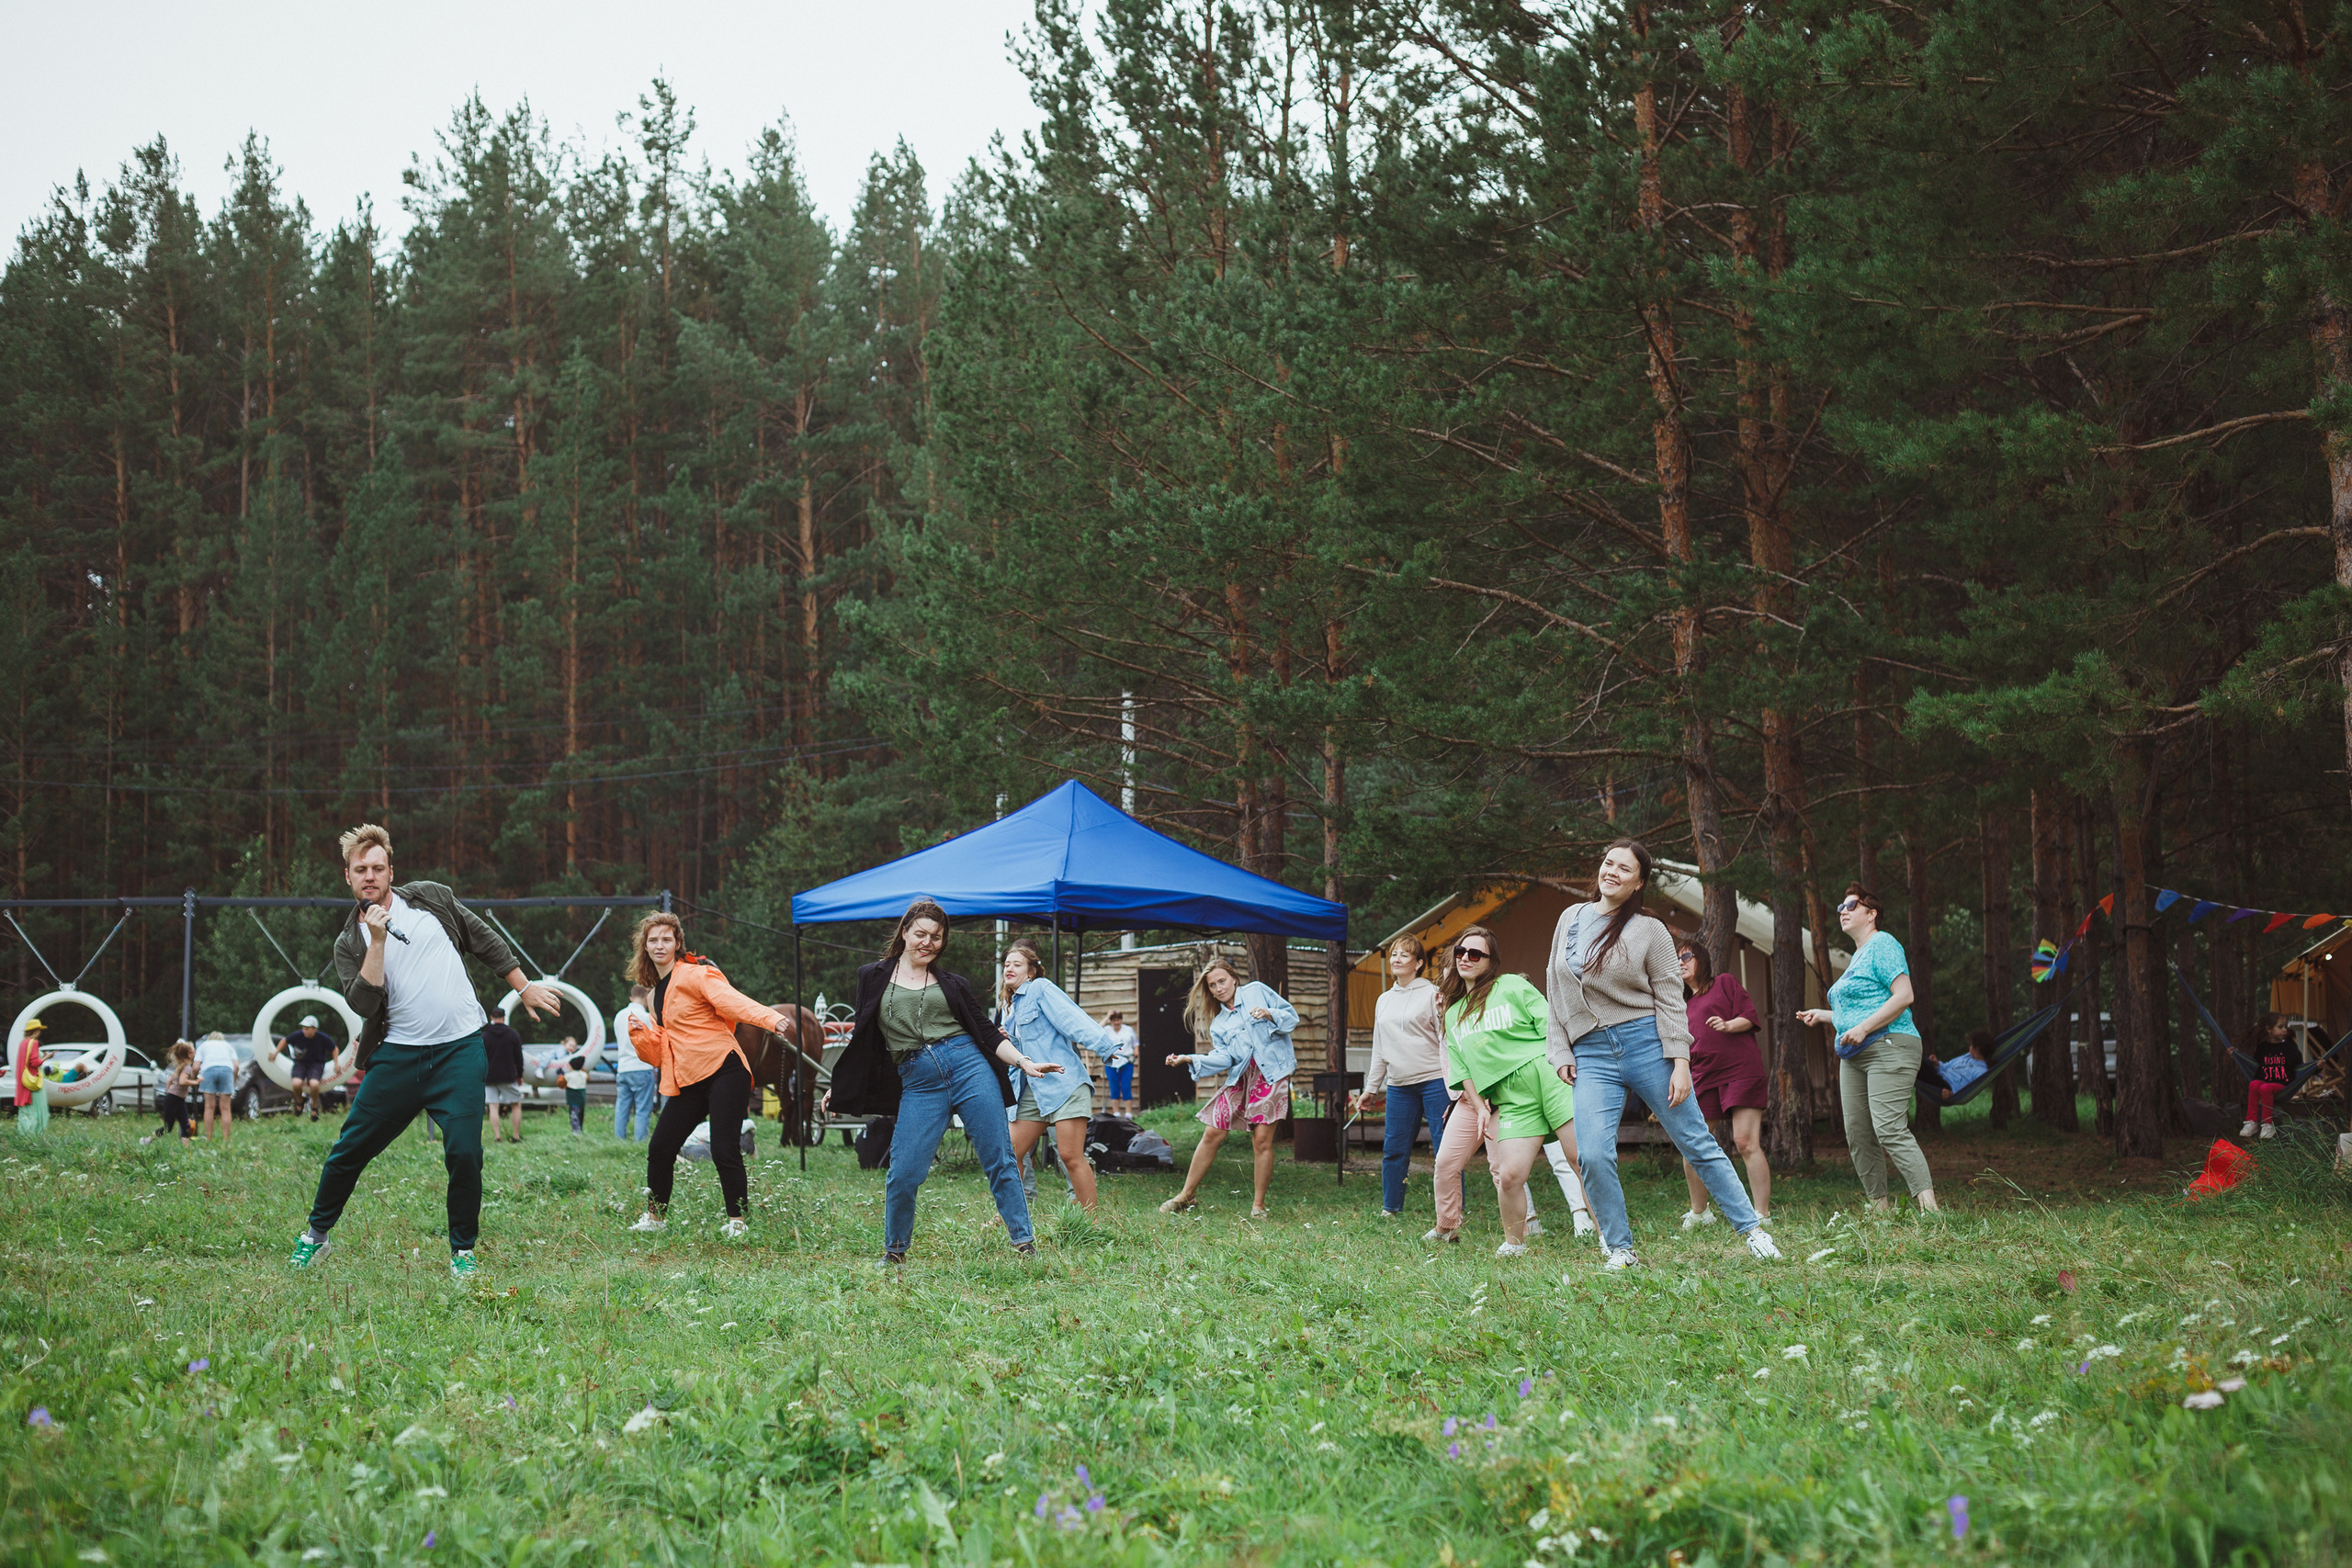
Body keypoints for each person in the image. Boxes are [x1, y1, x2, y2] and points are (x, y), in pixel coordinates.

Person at [289, 823, 560, 1280]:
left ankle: (462, 1252)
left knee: (465, 1153)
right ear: (348, 877)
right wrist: (377, 940)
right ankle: (316, 1237)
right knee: (348, 1150)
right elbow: (364, 1004)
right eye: (361, 870)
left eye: (378, 868)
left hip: (459, 1052)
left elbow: (482, 938)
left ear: (391, 872)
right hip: (399, 1059)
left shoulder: (431, 899)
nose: (370, 876)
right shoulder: (349, 943)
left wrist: (523, 986)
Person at [1547, 839, 1782, 1269]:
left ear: (1639, 883)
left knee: (1696, 1141)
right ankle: (1620, 1248)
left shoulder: (1650, 930)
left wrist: (1680, 1063)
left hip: (1646, 1044)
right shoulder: (1570, 918)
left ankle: (1752, 1231)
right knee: (1591, 1154)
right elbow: (1554, 985)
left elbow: (1672, 1000)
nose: (1612, 872)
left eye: (1625, 868)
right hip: (1592, 1054)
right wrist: (1560, 1047)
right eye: (1609, 863)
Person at [821, 897, 1052, 1264]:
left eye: (937, 937)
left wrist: (1024, 1062)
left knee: (1000, 1157)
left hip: (969, 1067)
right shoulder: (872, 976)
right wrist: (843, 1084)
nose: (928, 943)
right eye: (921, 934)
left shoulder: (953, 983)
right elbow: (864, 1037)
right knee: (904, 1171)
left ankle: (1025, 1245)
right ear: (905, 932)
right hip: (919, 1080)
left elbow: (986, 1032)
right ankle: (895, 1252)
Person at [622, 912, 797, 1239]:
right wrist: (643, 1037)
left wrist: (769, 1018)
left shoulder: (695, 974)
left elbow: (731, 1000)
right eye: (653, 940)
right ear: (644, 947)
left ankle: (737, 1222)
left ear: (677, 943)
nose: (660, 945)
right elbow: (666, 1045)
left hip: (724, 1069)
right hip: (690, 1078)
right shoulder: (653, 996)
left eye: (666, 939)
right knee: (661, 1147)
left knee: (724, 1147)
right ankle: (655, 1219)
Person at [1426, 926, 1591, 1257]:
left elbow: (1549, 1024)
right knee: (1509, 1174)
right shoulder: (1454, 1013)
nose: (1466, 958)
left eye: (1476, 954)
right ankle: (1515, 1244)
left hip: (1547, 1076)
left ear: (1491, 961)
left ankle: (1611, 1240)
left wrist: (1566, 1064)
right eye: (1461, 952)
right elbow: (1463, 1070)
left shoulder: (1512, 985)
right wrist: (1480, 1107)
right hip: (1509, 1095)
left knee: (1581, 1159)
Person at [1796, 883, 1939, 1213]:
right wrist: (1825, 1015)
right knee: (1858, 1134)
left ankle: (1931, 1212)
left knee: (1889, 1128)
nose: (1842, 911)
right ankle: (1879, 1211)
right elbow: (1860, 1011)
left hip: (1890, 1044)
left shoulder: (1883, 943)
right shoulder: (1857, 957)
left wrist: (1862, 1028)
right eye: (1840, 907)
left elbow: (1904, 996)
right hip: (1854, 1056)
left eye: (1851, 905)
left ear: (1871, 914)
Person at [1157, 959, 1297, 1220]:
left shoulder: (1257, 990)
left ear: (1234, 978)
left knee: (1261, 1140)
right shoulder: (1219, 1024)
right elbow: (1225, 1059)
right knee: (1212, 1132)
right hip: (1241, 1078)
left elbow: (1291, 1018)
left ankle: (1258, 1206)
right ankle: (1186, 1195)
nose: (1219, 988)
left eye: (1222, 981)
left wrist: (1270, 1014)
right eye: (1213, 986)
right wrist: (1189, 1059)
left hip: (1272, 1074)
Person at [1001, 939, 1119, 1214]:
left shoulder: (1040, 988)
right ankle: (1011, 1217)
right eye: (1006, 964)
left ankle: (1090, 1223)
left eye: (1017, 964)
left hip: (1065, 1084)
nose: (1009, 968)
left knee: (1069, 1155)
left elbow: (1072, 1018)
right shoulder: (1012, 1007)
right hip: (1031, 1088)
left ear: (1031, 971)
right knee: (1009, 1154)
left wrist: (1104, 1045)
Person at [1676, 942, 1771, 1226]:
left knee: (1745, 1142)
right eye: (1676, 959)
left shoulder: (1724, 983)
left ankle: (1762, 1214)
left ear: (1701, 959)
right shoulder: (1681, 1005)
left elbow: (1749, 1017)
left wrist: (1728, 1025)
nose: (1680, 962)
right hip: (1703, 1077)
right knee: (1693, 1143)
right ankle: (1700, 1213)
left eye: (1686, 956)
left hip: (1740, 1070)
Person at [1361, 935, 1451, 1218]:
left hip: (1435, 1081)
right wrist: (1371, 1088)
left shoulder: (1433, 994)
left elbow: (1446, 1040)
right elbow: (1379, 1048)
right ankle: (1391, 1208)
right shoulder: (1383, 1000)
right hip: (1399, 1086)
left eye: (1404, 955)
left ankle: (1452, 1211)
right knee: (1394, 1150)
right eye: (1394, 954)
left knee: (1446, 1150)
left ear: (1419, 963)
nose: (1397, 959)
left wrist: (1455, 1081)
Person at [613, 984, 661, 1141]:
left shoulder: (619, 1016)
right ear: (647, 997)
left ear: (631, 998)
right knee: (642, 1109)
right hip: (641, 1066)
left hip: (623, 1067)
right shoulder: (646, 1017)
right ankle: (640, 1141)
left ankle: (619, 1140)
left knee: (622, 1108)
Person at [2241, 1012, 2296, 1140]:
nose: (2284, 1030)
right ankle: (2252, 1122)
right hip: (2266, 1081)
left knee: (2265, 1088)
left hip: (2283, 1084)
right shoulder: (2262, 1048)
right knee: (2254, 1084)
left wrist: (2316, 1067)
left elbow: (2301, 1066)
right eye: (2280, 1027)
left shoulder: (2289, 1047)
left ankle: (2267, 1124)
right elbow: (2255, 1065)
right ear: (2269, 1029)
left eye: (2285, 1027)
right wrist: (2237, 1056)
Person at [273, 1016, 339, 1122]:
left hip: (317, 1064)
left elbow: (334, 1048)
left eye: (307, 1029)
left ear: (314, 1029)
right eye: (303, 1028)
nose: (304, 1031)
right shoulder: (298, 1035)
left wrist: (336, 1063)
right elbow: (284, 1041)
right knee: (296, 1083)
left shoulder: (322, 1037)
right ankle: (300, 1101)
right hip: (301, 1063)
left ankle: (314, 1106)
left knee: (314, 1084)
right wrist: (276, 1053)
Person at [481, 1010, 526, 1145]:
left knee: (493, 1106)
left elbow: (481, 1057)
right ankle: (516, 1136)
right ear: (504, 1017)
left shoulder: (485, 1036)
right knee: (516, 1104)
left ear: (491, 1017)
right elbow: (519, 1057)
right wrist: (520, 1075)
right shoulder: (513, 1034)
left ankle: (497, 1136)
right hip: (508, 1076)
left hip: (489, 1077)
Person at [194, 1030, 240, 1144]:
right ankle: (226, 1140)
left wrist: (194, 1080)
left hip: (208, 1071)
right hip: (227, 1071)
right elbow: (236, 1066)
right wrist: (233, 1081)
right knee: (225, 1108)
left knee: (209, 1107)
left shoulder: (203, 1045)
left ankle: (209, 1138)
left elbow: (195, 1067)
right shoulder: (228, 1045)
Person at [151, 1040, 197, 1143]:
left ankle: (186, 1150)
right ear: (189, 1054)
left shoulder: (181, 1067)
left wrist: (169, 1094)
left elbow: (169, 1081)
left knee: (186, 1126)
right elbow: (182, 1081)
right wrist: (196, 1082)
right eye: (194, 1052)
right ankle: (147, 1140)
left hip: (177, 1100)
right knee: (168, 1127)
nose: (195, 1054)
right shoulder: (186, 1068)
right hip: (174, 1100)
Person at [1931, 1031, 1994, 1102]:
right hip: (1938, 1075)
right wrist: (1937, 1064)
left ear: (1977, 1050)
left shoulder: (1981, 1072)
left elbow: (1970, 1091)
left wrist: (1952, 1094)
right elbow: (1947, 1066)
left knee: (1922, 1067)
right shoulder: (1968, 1056)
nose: (1969, 1047)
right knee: (1924, 1062)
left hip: (1946, 1086)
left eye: (1971, 1045)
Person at [1101, 1010, 1139, 1116]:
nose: (1116, 1022)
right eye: (1114, 1020)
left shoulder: (1128, 1030)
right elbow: (1097, 1028)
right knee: (1114, 1088)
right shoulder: (1106, 1030)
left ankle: (1128, 1114)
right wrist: (1107, 1017)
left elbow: (1136, 1043)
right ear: (1111, 1021)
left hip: (1126, 1061)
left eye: (1118, 1020)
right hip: (1111, 1062)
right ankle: (1116, 1113)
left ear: (1121, 1020)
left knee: (1126, 1087)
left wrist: (1136, 1050)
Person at [13, 1018, 47, 1136]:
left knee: (26, 1108)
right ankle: (35, 1133)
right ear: (36, 1030)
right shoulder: (34, 1042)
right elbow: (35, 1062)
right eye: (39, 1029)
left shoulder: (23, 1043)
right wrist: (47, 1057)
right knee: (36, 1107)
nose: (40, 1032)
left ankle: (23, 1133)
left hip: (24, 1081)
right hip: (33, 1080)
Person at [557, 1035, 589, 1135]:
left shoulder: (569, 1075)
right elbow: (588, 1077)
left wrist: (560, 1074)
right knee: (580, 1115)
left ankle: (576, 1132)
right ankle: (580, 1129)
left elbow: (560, 1083)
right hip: (582, 1100)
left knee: (574, 1115)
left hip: (573, 1100)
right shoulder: (584, 1075)